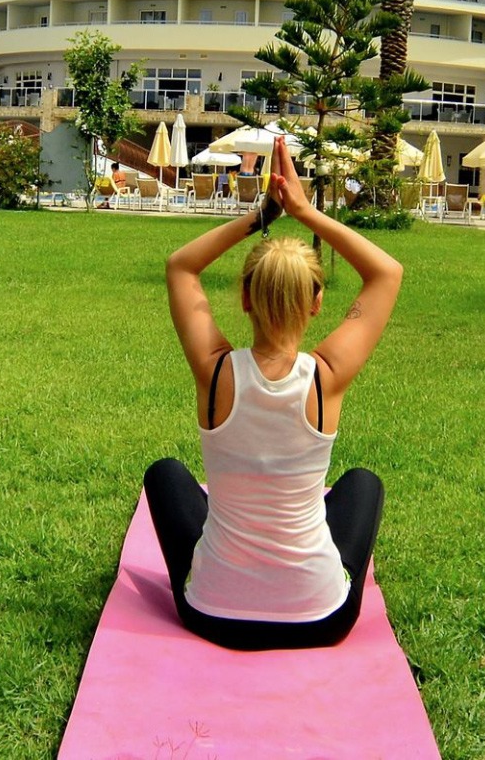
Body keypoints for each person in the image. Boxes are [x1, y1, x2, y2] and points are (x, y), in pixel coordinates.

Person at [146, 141, 402, 651]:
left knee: (166, 475)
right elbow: (386, 273)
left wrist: (261, 216)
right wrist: (306, 212)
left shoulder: (215, 371)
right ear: (317, 303)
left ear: (244, 298)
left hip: (212, 615)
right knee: (362, 483)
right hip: (319, 620)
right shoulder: (326, 377)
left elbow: (180, 267)